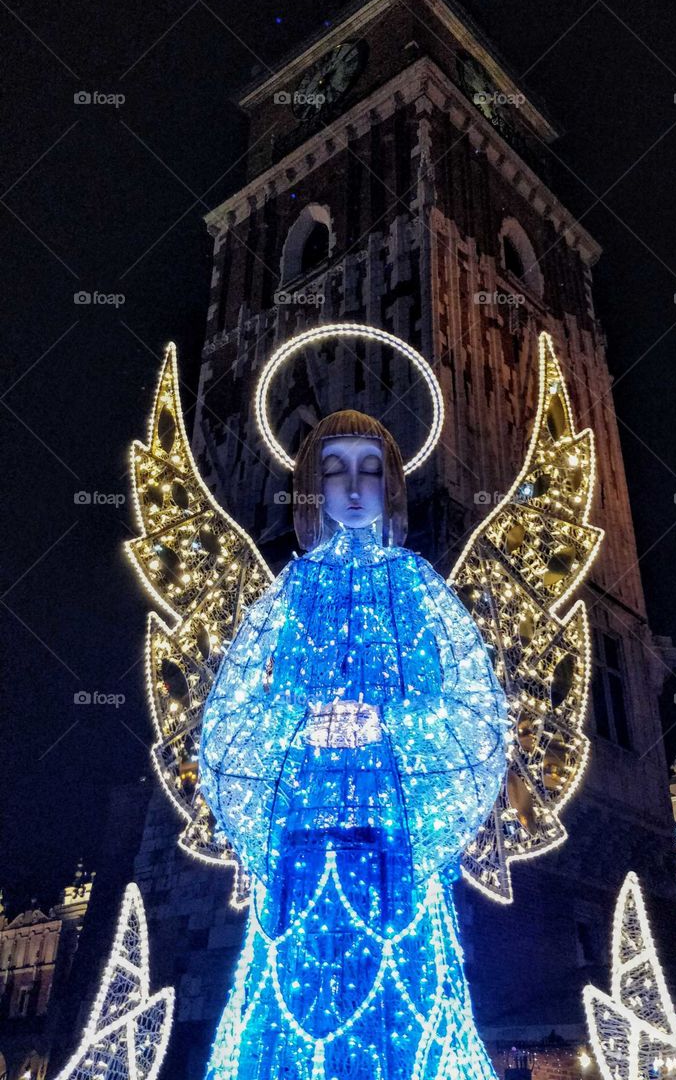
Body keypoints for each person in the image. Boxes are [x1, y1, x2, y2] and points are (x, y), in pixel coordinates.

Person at [199, 409, 508, 1080]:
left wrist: (384, 723)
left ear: (390, 484)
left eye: (369, 469)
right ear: (313, 485)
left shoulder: (413, 583)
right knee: (289, 1009)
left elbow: (466, 703)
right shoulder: (295, 587)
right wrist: (301, 724)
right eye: (334, 469)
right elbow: (237, 706)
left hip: (391, 832)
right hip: (301, 831)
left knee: (402, 1015)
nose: (352, 486)